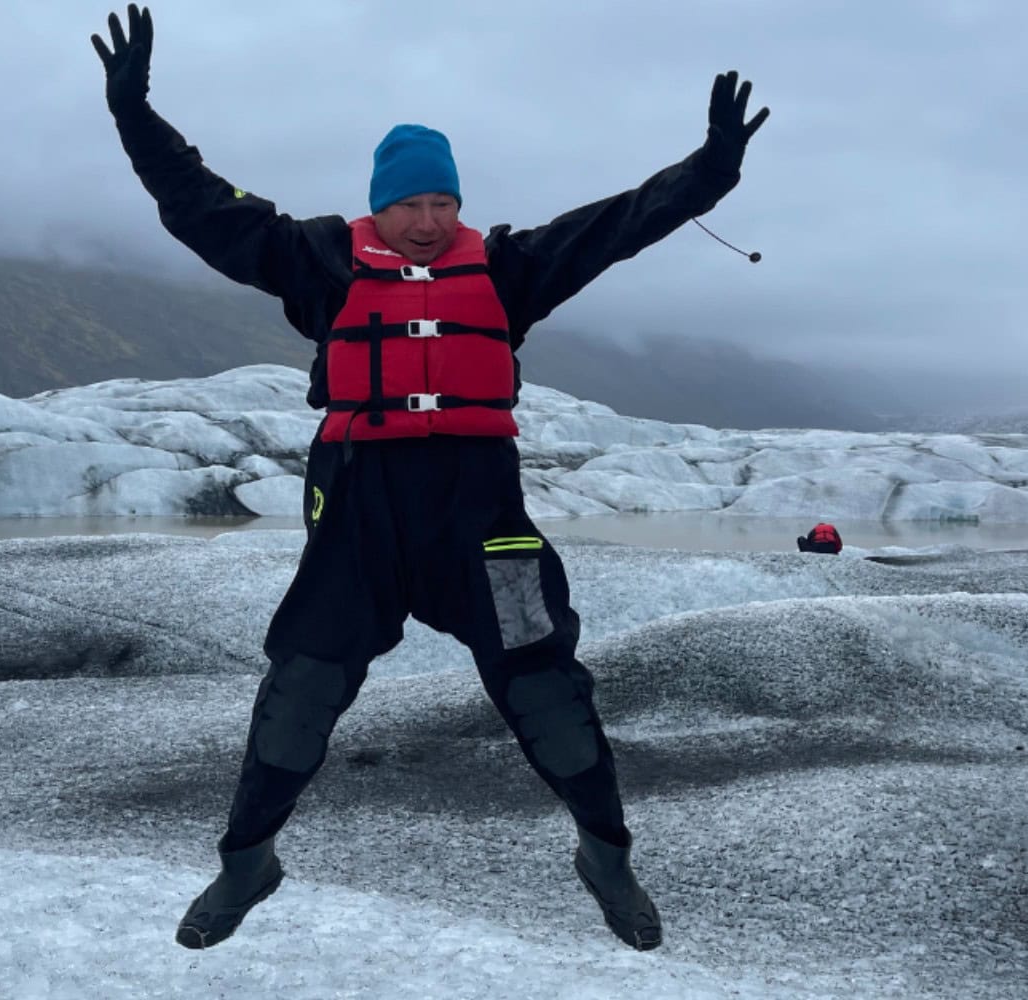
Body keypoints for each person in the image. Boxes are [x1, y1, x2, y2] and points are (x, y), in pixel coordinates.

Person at [92, 4, 769, 953]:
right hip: (359, 520)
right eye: (409, 205)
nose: (426, 222)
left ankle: (605, 854)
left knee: (547, 693)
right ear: (380, 206)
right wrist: (135, 116)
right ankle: (247, 862)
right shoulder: (320, 260)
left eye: (441, 204)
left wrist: (711, 170)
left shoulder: (509, 269)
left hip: (481, 520)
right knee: (299, 695)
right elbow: (204, 209)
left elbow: (617, 225)